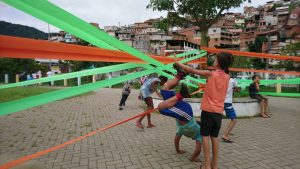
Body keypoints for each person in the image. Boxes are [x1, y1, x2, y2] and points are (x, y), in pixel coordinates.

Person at [174, 52, 233, 169]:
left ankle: (207, 165)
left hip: (208, 111)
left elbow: (191, 70)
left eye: (215, 60)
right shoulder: (227, 77)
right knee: (214, 137)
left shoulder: (210, 74)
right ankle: (214, 165)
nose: (214, 61)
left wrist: (177, 62)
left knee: (205, 136)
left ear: (218, 62)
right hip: (218, 112)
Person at [157, 66, 202, 162]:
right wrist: (192, 159)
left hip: (182, 109)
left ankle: (180, 74)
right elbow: (198, 149)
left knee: (165, 88)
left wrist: (178, 151)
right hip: (186, 113)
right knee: (160, 108)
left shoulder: (181, 130)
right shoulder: (201, 134)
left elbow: (176, 140)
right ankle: (181, 95)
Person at [222, 73, 240, 143]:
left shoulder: (219, 79)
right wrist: (235, 89)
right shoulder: (232, 80)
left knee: (215, 117)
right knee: (234, 119)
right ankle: (225, 135)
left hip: (219, 101)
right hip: (227, 102)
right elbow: (238, 90)